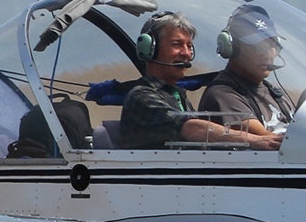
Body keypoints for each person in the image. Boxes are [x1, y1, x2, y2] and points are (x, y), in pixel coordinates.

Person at [119, 12, 282, 151]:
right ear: (149, 48)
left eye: (189, 46)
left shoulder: (177, 97)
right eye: (176, 44)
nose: (186, 53)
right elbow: (191, 128)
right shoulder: (141, 97)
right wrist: (256, 141)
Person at [200, 4, 293, 136]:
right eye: (259, 47)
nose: (267, 54)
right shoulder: (223, 96)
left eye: (272, 45)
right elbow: (269, 141)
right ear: (232, 48)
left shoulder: (276, 93)